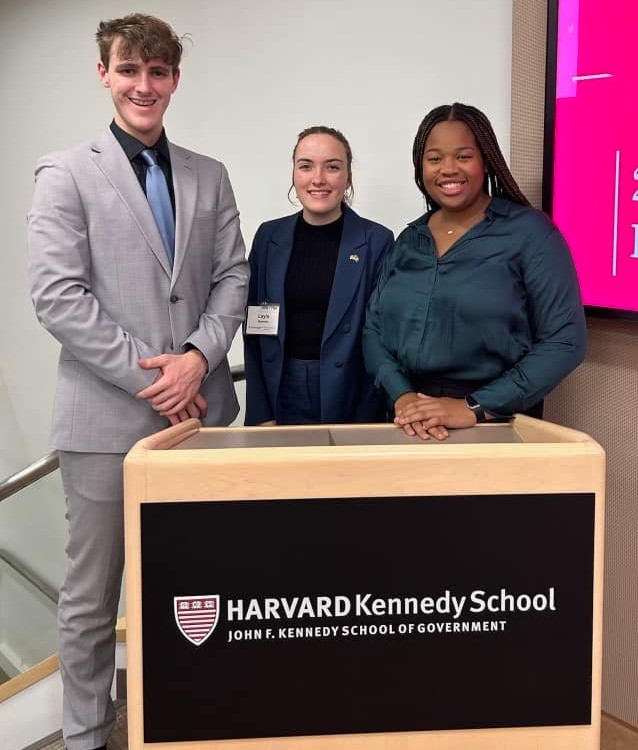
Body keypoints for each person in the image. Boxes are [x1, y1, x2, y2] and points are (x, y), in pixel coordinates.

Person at [27, 14, 249, 750]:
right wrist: (153, 379)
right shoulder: (65, 173)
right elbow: (58, 297)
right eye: (129, 71)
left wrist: (196, 357)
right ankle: (87, 736)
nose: (143, 86)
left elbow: (232, 277)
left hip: (203, 416)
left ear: (174, 80)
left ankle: (192, 723)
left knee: (200, 588)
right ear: (104, 73)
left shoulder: (207, 174)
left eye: (157, 73)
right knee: (92, 599)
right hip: (103, 424)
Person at [362, 103, 587, 440]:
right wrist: (403, 397)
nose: (448, 169)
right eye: (434, 159)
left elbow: (565, 340)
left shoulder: (530, 234)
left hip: (496, 423)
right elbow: (373, 329)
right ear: (420, 167)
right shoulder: (410, 239)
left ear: (486, 161)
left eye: (463, 156)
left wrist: (473, 407)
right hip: (407, 422)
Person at [244, 126, 394, 425]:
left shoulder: (377, 241)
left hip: (350, 397)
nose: (318, 179)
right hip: (281, 391)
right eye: (306, 166)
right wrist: (261, 412)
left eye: (333, 167)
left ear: (348, 177)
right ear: (294, 175)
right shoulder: (268, 236)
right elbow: (255, 328)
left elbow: (382, 338)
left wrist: (366, 420)